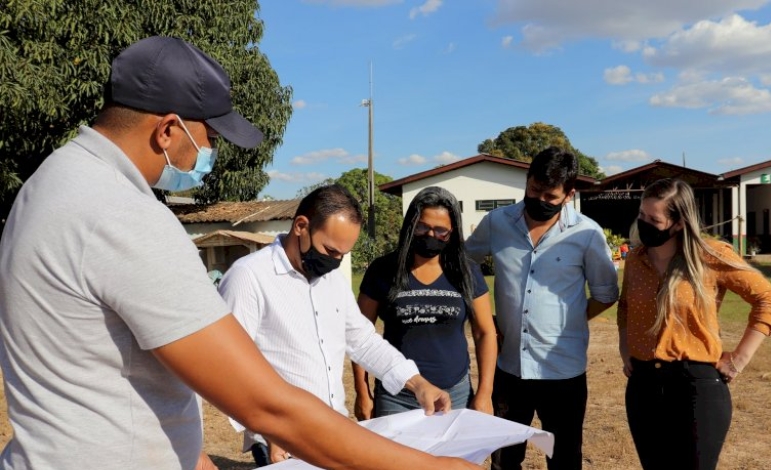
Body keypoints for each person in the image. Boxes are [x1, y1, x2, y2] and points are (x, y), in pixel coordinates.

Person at [0, 36, 480, 470]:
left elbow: (115, 372)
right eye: (209, 135)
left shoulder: (51, 185)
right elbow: (260, 401)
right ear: (168, 129)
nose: (210, 152)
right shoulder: (122, 213)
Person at [218, 184, 452, 466]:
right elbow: (227, 366)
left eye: (343, 254)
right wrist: (267, 428)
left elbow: (363, 341)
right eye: (329, 250)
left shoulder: (333, 281)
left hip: (333, 429)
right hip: (281, 439)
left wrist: (417, 383)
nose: (335, 262)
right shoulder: (249, 277)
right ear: (301, 226)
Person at [465, 147, 620, 470]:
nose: (540, 199)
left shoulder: (587, 234)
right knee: (504, 458)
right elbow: (464, 264)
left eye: (551, 196)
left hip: (563, 370)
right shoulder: (497, 223)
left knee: (564, 459)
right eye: (534, 190)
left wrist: (569, 322)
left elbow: (605, 293)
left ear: (569, 194)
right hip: (509, 368)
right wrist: (484, 316)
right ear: (527, 181)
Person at [617, 178, 771, 470]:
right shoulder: (635, 259)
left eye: (654, 219)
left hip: (695, 387)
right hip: (643, 386)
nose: (644, 223)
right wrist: (625, 349)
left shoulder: (710, 255)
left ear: (679, 222)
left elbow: (768, 300)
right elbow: (626, 306)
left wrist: (739, 359)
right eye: (642, 215)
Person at [352, 186, 497, 420]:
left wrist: (485, 393)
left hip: (454, 395)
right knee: (396, 458)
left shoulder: (466, 271)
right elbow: (359, 335)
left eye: (441, 231)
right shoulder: (383, 270)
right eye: (422, 227)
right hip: (396, 395)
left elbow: (485, 332)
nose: (430, 236)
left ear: (452, 232)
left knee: (451, 458)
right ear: (410, 224)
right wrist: (362, 392)